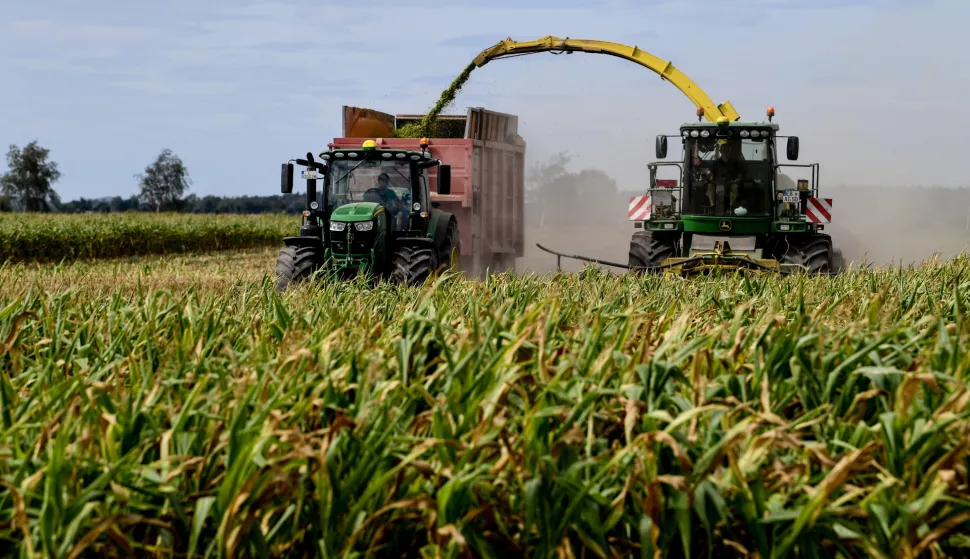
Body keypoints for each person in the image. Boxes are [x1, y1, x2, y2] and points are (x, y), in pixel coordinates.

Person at [706, 140, 746, 211]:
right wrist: (708, 177)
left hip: (730, 183)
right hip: (717, 183)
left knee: (735, 186)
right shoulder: (715, 163)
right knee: (710, 186)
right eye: (723, 150)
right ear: (720, 151)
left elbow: (740, 175)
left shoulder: (734, 163)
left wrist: (736, 181)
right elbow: (709, 173)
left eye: (727, 150)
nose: (725, 151)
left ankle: (731, 208)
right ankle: (713, 207)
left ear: (730, 151)